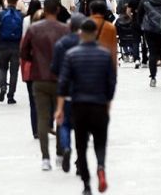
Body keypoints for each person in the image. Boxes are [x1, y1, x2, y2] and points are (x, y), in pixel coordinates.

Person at [55, 19, 116, 195]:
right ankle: (101, 167)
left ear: (81, 34)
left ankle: (86, 185)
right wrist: (108, 102)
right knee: (100, 142)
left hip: (79, 106)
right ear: (96, 34)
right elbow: (111, 82)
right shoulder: (104, 55)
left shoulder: (71, 55)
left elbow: (63, 83)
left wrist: (59, 109)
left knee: (81, 146)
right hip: (99, 105)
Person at [20, 0, 70, 171]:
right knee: (60, 115)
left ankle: (45, 158)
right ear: (57, 10)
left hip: (39, 77)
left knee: (42, 117)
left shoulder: (34, 29)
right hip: (60, 78)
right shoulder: (65, 29)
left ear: (44, 10)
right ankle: (59, 152)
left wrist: (33, 60)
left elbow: (23, 52)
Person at [50, 13, 86, 173]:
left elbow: (55, 68)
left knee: (64, 123)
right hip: (84, 91)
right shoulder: (87, 43)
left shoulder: (61, 44)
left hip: (65, 89)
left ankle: (65, 147)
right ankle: (80, 159)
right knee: (81, 127)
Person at [0, 0, 23, 104]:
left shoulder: (0, 15)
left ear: (7, 0)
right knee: (14, 72)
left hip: (3, 45)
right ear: (17, 1)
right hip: (16, 47)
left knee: (3, 68)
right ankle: (11, 96)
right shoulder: (21, 16)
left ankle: (3, 86)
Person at [21, 0, 43, 139]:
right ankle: (45, 125)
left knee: (33, 101)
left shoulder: (26, 21)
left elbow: (23, 42)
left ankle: (36, 129)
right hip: (43, 70)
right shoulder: (44, 33)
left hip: (30, 70)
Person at [126, 0, 147, 68]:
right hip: (145, 22)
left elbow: (128, 11)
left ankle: (137, 59)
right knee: (145, 41)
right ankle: (145, 60)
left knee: (135, 41)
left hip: (135, 22)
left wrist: (132, 17)